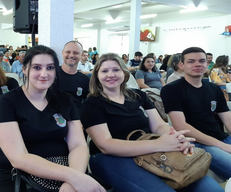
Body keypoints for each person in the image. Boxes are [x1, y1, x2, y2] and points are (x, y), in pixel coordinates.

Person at [80, 53, 223, 192]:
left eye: (116, 69)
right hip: (111, 158)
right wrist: (158, 144)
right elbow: (106, 145)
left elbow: (159, 125)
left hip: (151, 150)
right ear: (97, 76)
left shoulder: (138, 95)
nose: (111, 74)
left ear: (124, 73)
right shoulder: (92, 104)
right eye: (104, 71)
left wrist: (176, 138)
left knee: (211, 188)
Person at [0, 45, 105, 192]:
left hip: (63, 169)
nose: (44, 74)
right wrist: (73, 177)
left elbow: (78, 145)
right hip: (19, 175)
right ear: (24, 69)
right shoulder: (5, 102)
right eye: (37, 68)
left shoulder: (64, 100)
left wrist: (73, 180)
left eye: (50, 68)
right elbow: (18, 157)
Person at [161, 47, 231, 181]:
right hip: (198, 143)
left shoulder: (213, 88)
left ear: (207, 64)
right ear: (181, 65)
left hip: (221, 137)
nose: (197, 64)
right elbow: (181, 126)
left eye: (202, 61)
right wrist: (222, 145)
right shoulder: (172, 89)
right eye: (191, 61)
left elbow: (227, 119)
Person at [53, 41, 90, 109]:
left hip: (76, 118)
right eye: (68, 52)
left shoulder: (85, 80)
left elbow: (89, 104)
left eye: (76, 53)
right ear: (62, 53)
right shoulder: (52, 74)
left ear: (81, 55)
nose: (71, 55)